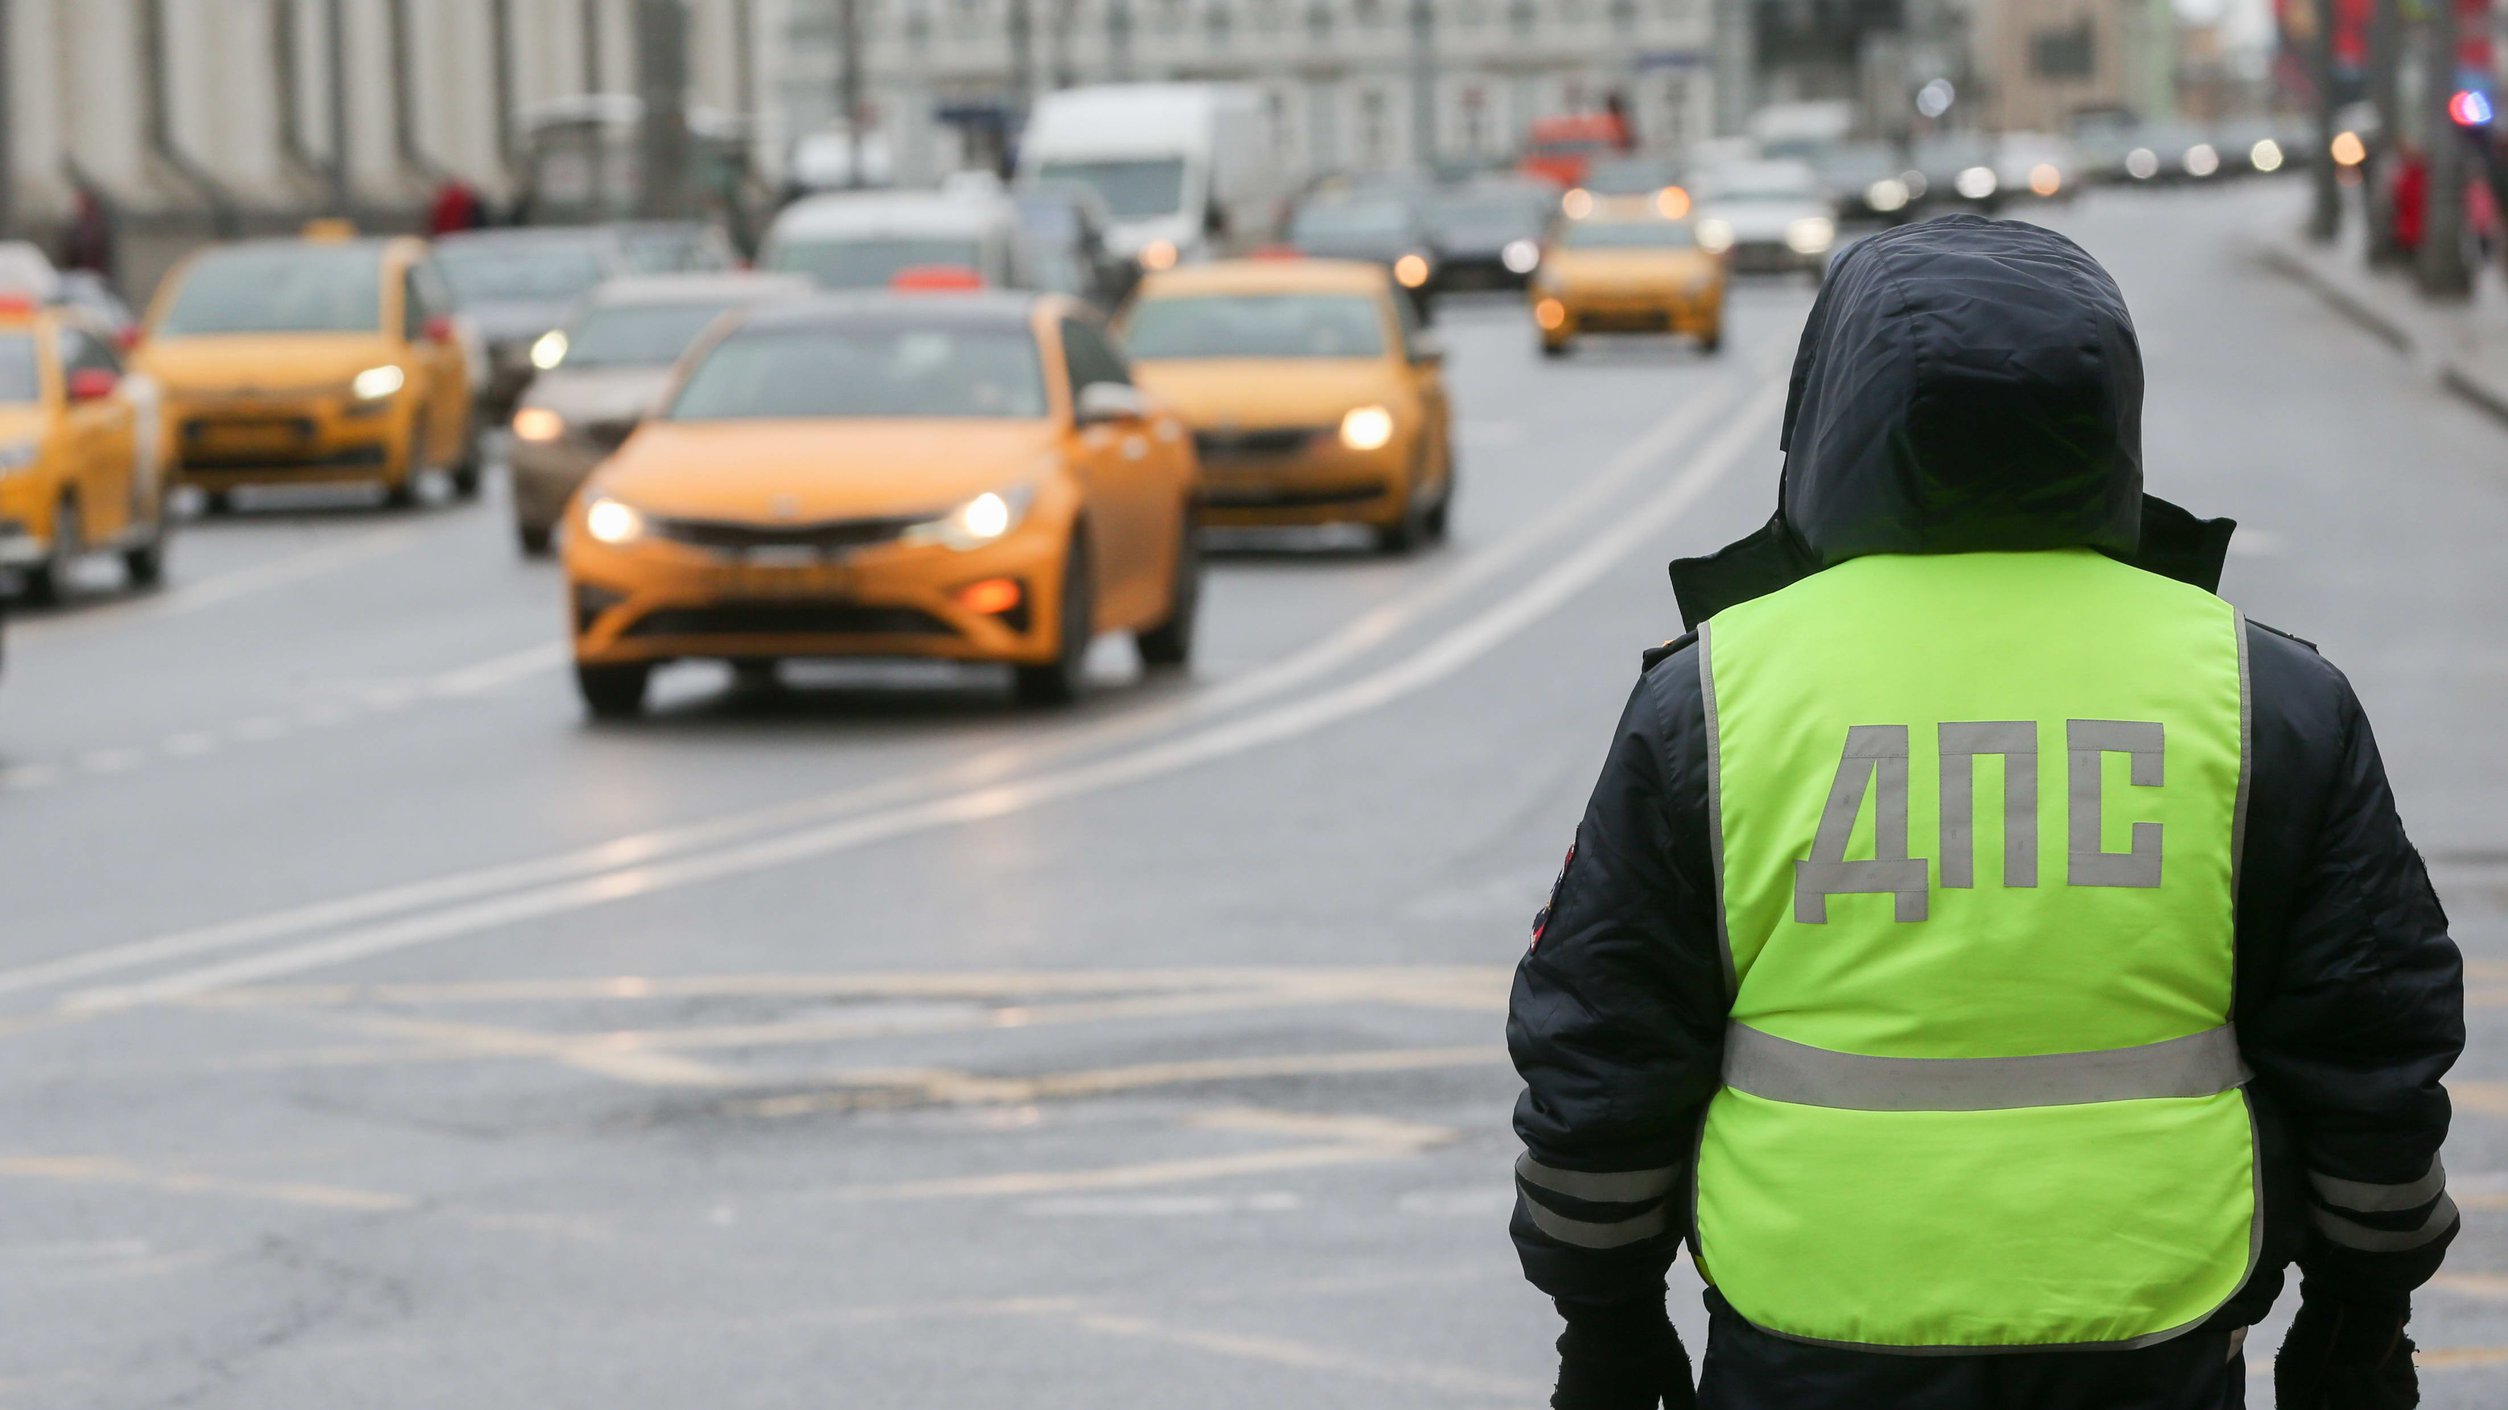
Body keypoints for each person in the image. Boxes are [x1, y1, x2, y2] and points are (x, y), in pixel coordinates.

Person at [1507, 217, 2462, 1410]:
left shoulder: (1711, 696)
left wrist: (1605, 1329)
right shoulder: (2264, 695)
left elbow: (1606, 1046)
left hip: (1811, 1318)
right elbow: (2372, 1041)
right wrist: (2360, 1320)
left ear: (1833, 412)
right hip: (2153, 1316)